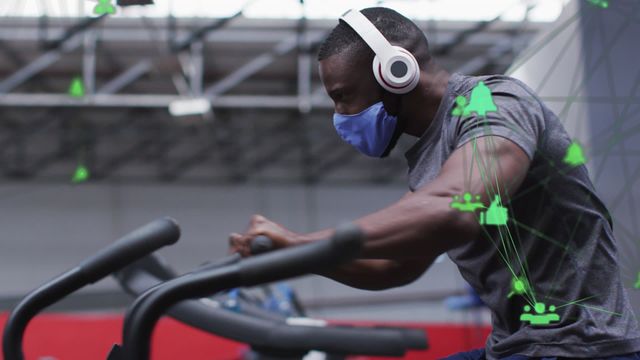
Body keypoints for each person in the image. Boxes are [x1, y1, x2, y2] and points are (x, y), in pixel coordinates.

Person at [229, 7, 640, 359]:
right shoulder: (432, 156)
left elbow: (456, 207)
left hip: (581, 345)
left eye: (343, 96)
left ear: (395, 71)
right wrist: (295, 256)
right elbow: (394, 265)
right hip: (517, 345)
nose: (340, 114)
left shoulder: (493, 103)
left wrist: (303, 245)